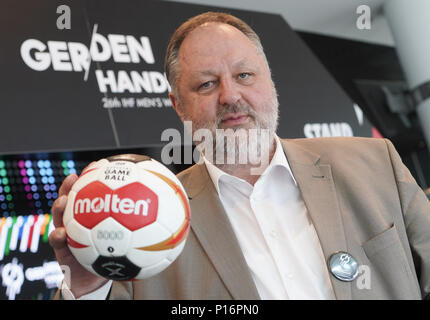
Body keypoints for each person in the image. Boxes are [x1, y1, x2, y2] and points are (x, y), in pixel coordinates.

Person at [50, 12, 430, 300]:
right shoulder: (146, 221)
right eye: (207, 83)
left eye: (244, 75)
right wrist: (83, 285)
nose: (230, 96)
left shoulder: (376, 162)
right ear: (178, 105)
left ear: (269, 80)